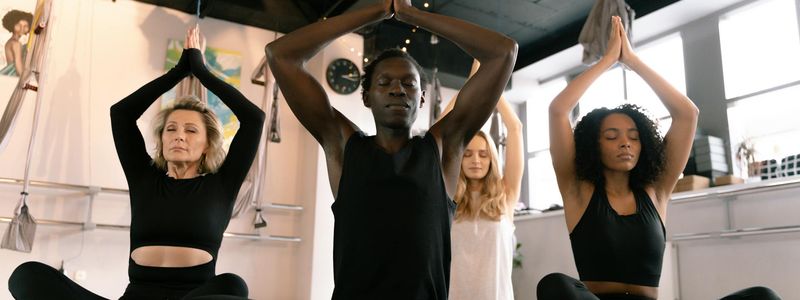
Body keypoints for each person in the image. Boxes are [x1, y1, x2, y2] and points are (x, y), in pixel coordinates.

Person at [265, 0, 517, 298]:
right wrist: (373, 12)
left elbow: (503, 53)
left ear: (422, 99)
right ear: (367, 97)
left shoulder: (443, 147)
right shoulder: (343, 145)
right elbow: (280, 55)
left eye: (409, 84)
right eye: (384, 82)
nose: (398, 89)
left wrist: (413, 15)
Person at [8, 26, 263, 300]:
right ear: (162, 140)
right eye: (171, 129)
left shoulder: (221, 185)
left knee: (233, 286)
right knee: (27, 275)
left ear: (207, 145)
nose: (179, 136)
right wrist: (177, 71)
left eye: (190, 131)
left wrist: (200, 70)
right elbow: (121, 114)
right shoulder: (145, 178)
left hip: (193, 298)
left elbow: (253, 119)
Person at [538, 16, 780, 300]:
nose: (625, 143)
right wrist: (607, 61)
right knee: (555, 284)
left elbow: (687, 114)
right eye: (612, 136)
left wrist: (632, 61)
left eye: (634, 137)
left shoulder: (656, 191)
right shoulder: (578, 191)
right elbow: (558, 110)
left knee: (763, 296)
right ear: (594, 146)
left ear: (644, 146)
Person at [443, 60, 523, 300]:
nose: (475, 160)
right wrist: (472, 85)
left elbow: (515, 128)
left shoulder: (506, 196)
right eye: (467, 154)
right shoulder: (448, 197)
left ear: (492, 159)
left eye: (483, 154)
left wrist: (491, 80)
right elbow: (442, 125)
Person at [1, 9, 33, 76]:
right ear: (12, 25)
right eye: (19, 25)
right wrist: (23, 79)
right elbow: (18, 64)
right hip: (14, 75)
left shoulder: (10, 41)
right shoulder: (16, 44)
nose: (22, 28)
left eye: (25, 26)